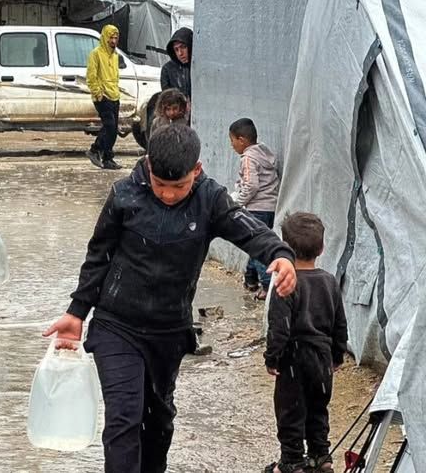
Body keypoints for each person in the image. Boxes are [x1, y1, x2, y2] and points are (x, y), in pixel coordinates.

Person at [43, 123, 297, 472]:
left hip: (169, 333)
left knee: (158, 425)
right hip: (117, 326)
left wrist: (280, 254)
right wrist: (76, 313)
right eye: (160, 184)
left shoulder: (210, 199)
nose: (167, 194)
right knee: (123, 419)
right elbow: (98, 256)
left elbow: (248, 230)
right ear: (148, 166)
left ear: (197, 169)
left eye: (178, 186)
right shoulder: (124, 195)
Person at [265, 212, 348, 473]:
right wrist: (337, 356)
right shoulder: (330, 281)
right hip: (322, 357)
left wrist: (272, 357)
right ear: (322, 248)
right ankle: (320, 457)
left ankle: (291, 462)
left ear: (285, 247)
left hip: (294, 357)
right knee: (318, 408)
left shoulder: (286, 283)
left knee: (290, 411)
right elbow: (339, 324)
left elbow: (279, 326)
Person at [228, 118, 280, 300]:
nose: (232, 145)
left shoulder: (248, 158)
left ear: (241, 140)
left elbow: (250, 185)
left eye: (232, 141)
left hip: (256, 208)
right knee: (256, 244)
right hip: (270, 207)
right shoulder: (264, 153)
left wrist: (237, 202)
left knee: (258, 248)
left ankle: (267, 286)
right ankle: (250, 279)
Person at [86, 25, 123, 170]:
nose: (113, 41)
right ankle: (94, 150)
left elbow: (115, 77)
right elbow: (91, 76)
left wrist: (117, 92)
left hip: (114, 95)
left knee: (113, 130)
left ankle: (108, 158)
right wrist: (98, 94)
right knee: (110, 126)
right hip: (103, 97)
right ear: (105, 38)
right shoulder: (96, 54)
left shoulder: (115, 56)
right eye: (111, 38)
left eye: (115, 38)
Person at [161, 27, 192, 99]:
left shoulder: (198, 67)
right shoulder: (167, 69)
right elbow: (168, 99)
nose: (180, 53)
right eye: (176, 49)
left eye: (183, 47)